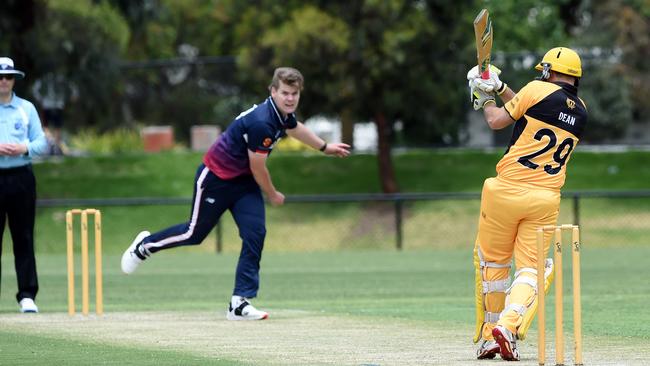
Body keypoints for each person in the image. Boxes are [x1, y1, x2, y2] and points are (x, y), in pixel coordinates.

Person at [121, 67, 350, 320]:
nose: (290, 98)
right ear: (272, 92)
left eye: (294, 93)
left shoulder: (282, 114)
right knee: (193, 234)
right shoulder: (263, 122)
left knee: (255, 233)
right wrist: (272, 194)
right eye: (284, 93)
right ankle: (144, 247)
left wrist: (325, 147)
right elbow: (257, 166)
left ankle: (239, 303)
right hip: (215, 179)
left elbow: (295, 128)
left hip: (243, 183)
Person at [466, 47, 587, 361]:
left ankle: (489, 335)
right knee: (531, 270)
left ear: (549, 70)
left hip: (505, 191)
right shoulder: (581, 111)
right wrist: (501, 87)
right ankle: (507, 327)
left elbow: (495, 121)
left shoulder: (535, 90)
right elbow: (534, 110)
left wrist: (483, 95)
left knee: (493, 265)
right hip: (545, 198)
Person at [0, 57, 49, 313]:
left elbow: (43, 144)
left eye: (8, 77)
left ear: (14, 80)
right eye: (0, 77)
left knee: (24, 237)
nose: (4, 81)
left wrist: (23, 147)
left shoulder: (25, 109)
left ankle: (27, 295)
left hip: (21, 177)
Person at [31, 72, 68, 155]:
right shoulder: (60, 78)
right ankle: (56, 146)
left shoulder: (44, 78)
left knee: (46, 126)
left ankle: (52, 143)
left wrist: (41, 99)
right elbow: (71, 89)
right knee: (57, 127)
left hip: (46, 105)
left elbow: (35, 89)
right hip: (58, 105)